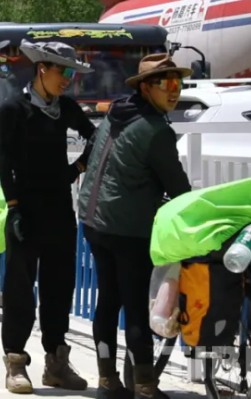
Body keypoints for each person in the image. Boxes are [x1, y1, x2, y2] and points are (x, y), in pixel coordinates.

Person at [75, 53, 194, 399]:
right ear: (145, 87)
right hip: (126, 229)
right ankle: (144, 385)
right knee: (135, 306)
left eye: (177, 82)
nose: (174, 89)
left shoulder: (116, 114)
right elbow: (179, 188)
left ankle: (107, 382)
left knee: (108, 301)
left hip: (94, 221)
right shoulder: (156, 130)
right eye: (165, 83)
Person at [0, 40, 97, 394]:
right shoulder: (14, 109)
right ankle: (15, 362)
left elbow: (96, 137)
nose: (68, 79)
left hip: (59, 211)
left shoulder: (66, 108)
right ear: (42, 69)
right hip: (24, 211)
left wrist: (77, 168)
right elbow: (4, 161)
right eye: (63, 71)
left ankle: (56, 362)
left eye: (72, 72)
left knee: (59, 286)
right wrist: (13, 206)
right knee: (20, 288)